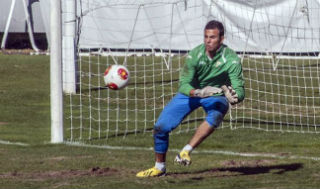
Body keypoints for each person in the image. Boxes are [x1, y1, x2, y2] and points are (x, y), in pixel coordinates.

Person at [136, 20, 245, 177]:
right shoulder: (195, 55)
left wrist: (235, 97)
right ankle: (159, 167)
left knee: (217, 112)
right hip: (192, 94)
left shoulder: (232, 59)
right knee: (160, 128)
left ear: (222, 39)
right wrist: (198, 92)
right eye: (206, 36)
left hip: (215, 95)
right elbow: (183, 84)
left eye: (213, 37)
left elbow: (239, 88)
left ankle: (185, 151)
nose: (208, 40)